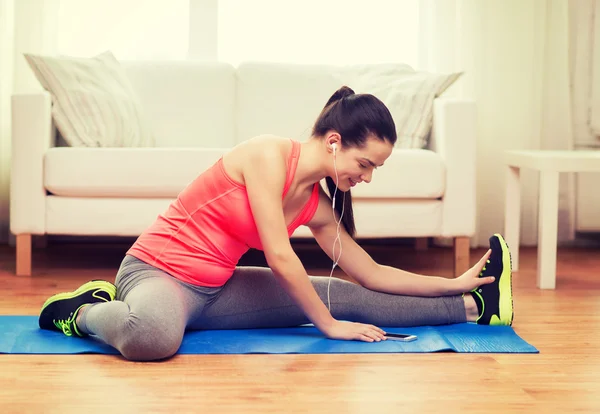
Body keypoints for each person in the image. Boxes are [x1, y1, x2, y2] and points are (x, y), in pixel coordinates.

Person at [38, 86, 514, 362]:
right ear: (334, 142)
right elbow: (278, 255)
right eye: (365, 163)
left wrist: (452, 282)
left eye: (375, 170)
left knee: (346, 295)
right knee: (153, 339)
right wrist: (328, 327)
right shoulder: (267, 156)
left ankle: (474, 306)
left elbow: (371, 274)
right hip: (155, 273)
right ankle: (81, 311)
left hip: (215, 290)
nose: (365, 178)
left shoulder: (318, 206)